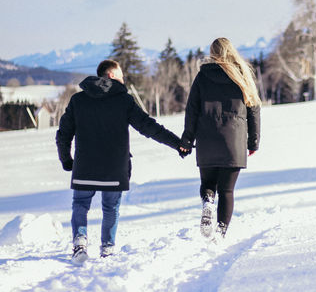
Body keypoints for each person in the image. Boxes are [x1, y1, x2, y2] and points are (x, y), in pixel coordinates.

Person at [56, 59, 185, 264]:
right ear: (110, 76)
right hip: (114, 169)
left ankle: (80, 244)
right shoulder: (124, 101)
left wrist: (66, 159)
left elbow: (63, 134)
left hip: (84, 167)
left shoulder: (78, 100)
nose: (124, 79)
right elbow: (148, 127)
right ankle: (107, 248)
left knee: (80, 204)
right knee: (111, 208)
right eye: (121, 75)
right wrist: (177, 143)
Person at [180, 37, 261, 239]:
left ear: (212, 53)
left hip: (207, 138)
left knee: (209, 183)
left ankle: (208, 201)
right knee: (226, 190)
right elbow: (254, 109)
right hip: (234, 140)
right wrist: (253, 141)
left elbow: (192, 110)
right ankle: (220, 231)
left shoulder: (202, 76)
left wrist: (187, 139)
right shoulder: (241, 75)